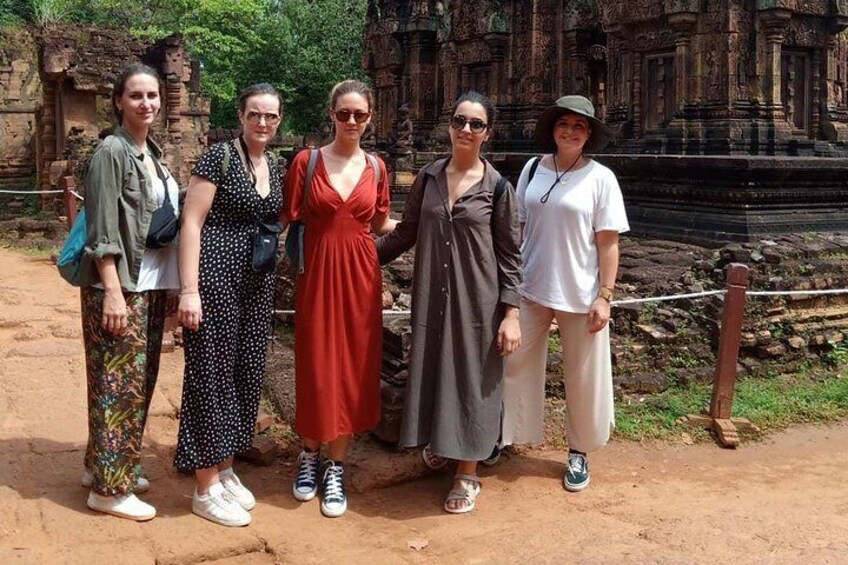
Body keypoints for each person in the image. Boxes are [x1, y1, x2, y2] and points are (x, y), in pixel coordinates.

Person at [377, 91, 522, 514]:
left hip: (480, 299)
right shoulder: (429, 177)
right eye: (460, 121)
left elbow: (511, 254)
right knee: (436, 368)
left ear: (487, 133)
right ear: (449, 125)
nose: (466, 130)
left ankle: (467, 472)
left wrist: (510, 312)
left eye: (476, 124)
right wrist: (360, 261)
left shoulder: (498, 188)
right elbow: (406, 232)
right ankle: (443, 441)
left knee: (474, 378)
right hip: (433, 294)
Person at [501, 95, 629, 492]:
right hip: (532, 286)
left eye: (579, 126)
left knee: (583, 375)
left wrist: (604, 296)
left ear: (588, 134)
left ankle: (579, 451)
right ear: (553, 130)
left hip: (580, 291)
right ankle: (505, 435)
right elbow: (517, 228)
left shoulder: (600, 178)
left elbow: (608, 244)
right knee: (512, 364)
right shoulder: (531, 169)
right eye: (564, 124)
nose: (570, 131)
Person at [283, 79, 394, 518]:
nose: (351, 121)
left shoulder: (378, 168)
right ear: (331, 114)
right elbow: (285, 219)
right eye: (344, 113)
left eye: (360, 115)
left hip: (362, 279)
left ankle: (336, 464)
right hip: (317, 276)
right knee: (315, 364)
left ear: (370, 118)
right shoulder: (306, 163)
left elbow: (382, 223)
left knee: (353, 369)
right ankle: (309, 453)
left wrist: (438, 227)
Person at [175, 83, 284, 527]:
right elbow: (192, 222)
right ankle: (204, 487)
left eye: (271, 116)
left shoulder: (274, 164)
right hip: (215, 280)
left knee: (244, 373)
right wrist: (188, 289)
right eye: (255, 114)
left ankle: (225, 467)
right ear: (241, 115)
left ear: (280, 121)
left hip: (256, 285)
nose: (262, 122)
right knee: (210, 374)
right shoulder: (217, 158)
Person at [77, 63, 180, 521]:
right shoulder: (111, 152)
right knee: (117, 386)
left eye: (153, 95)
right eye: (136, 95)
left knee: (136, 383)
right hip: (121, 287)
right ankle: (109, 490)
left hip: (150, 284)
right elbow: (101, 231)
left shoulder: (151, 153)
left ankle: (104, 464)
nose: (146, 104)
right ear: (118, 101)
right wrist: (113, 292)